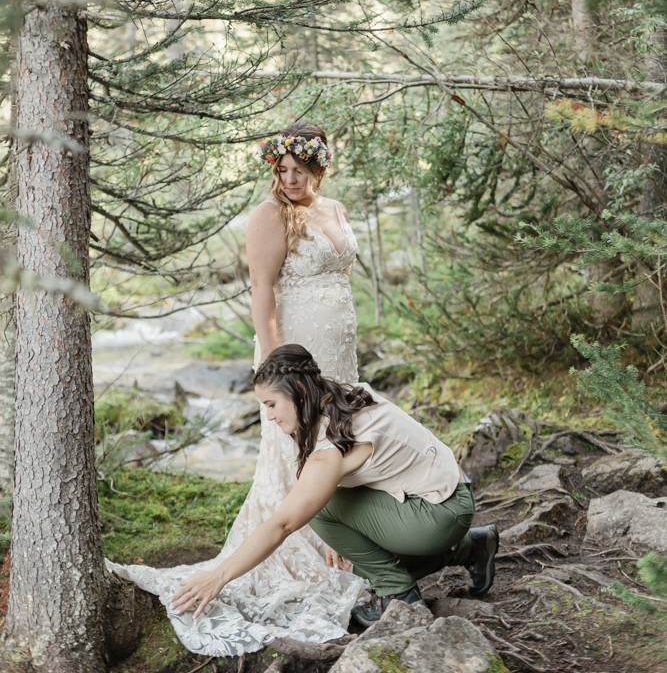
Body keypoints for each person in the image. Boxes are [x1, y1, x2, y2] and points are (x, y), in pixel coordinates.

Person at [106, 123, 366, 656]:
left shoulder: (335, 209)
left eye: (300, 170)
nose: (290, 179)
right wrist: (276, 371)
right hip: (293, 356)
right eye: (282, 170)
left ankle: (345, 536)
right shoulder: (270, 217)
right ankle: (302, 546)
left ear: (320, 166)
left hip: (340, 354)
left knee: (338, 438)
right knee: (297, 446)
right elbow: (263, 295)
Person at [171, 344, 499, 627]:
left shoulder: (330, 450)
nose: (269, 416)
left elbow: (283, 523)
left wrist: (219, 576)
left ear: (299, 393)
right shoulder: (342, 395)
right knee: (355, 564)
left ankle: (399, 594)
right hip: (451, 494)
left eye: (271, 404)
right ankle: (473, 547)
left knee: (321, 509)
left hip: (440, 513)